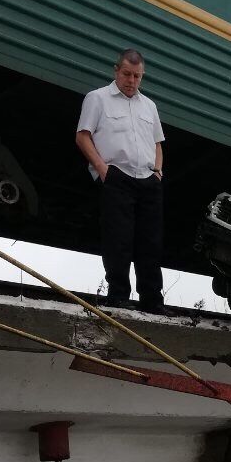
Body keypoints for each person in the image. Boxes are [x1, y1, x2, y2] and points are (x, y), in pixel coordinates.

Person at [75, 50, 166, 311]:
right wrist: (103, 169)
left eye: (137, 76)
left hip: (148, 179)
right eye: (127, 74)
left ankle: (152, 299)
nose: (132, 80)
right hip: (117, 176)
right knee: (118, 238)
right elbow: (82, 136)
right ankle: (118, 295)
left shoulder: (149, 105)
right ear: (116, 70)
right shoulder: (98, 99)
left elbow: (158, 143)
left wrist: (158, 172)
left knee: (150, 241)